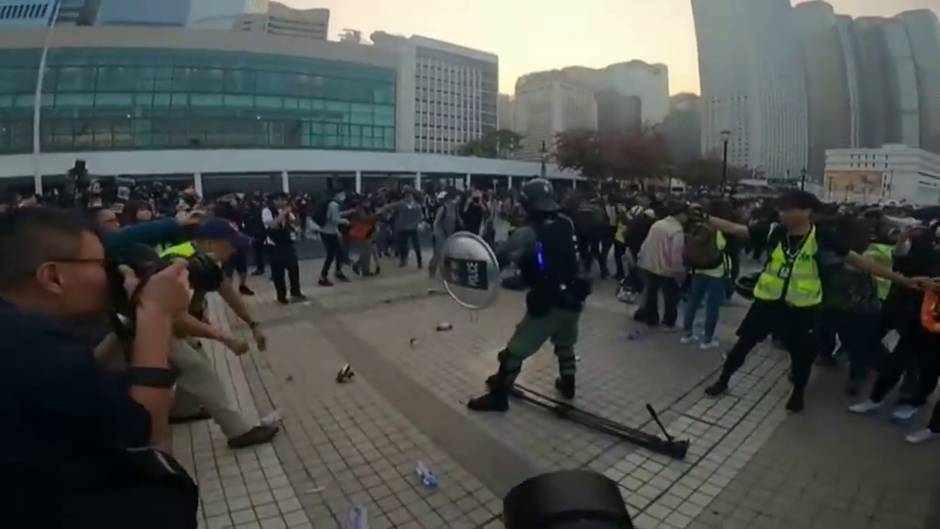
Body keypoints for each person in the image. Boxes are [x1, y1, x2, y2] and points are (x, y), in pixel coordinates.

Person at [0, 207, 198, 527]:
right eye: (102, 264)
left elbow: (83, 386)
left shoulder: (23, 338)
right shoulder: (29, 348)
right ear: (53, 277)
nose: (112, 275)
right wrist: (157, 315)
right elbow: (140, 428)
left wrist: (135, 320)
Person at [700, 191, 921, 412]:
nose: (782, 212)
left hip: (803, 310)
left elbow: (860, 262)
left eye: (787, 208)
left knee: (801, 356)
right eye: (781, 208)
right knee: (742, 346)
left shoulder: (823, 238)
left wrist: (903, 280)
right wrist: (704, 217)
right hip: (767, 304)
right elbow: (736, 229)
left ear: (806, 211)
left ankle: (798, 394)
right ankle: (723, 380)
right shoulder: (775, 232)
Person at [468, 179, 590, 412]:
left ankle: (499, 396)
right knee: (565, 343)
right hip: (574, 296)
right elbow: (551, 258)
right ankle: (568, 384)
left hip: (548, 302)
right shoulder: (566, 222)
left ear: (526, 203)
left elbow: (498, 259)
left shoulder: (527, 232)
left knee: (514, 351)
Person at [157, 219, 279, 449]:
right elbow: (175, 316)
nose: (235, 250)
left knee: (193, 362)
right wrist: (226, 338)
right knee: (199, 371)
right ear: (210, 243)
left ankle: (184, 410)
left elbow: (228, 293)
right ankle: (238, 431)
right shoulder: (178, 263)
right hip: (154, 324)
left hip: (168, 323)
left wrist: (254, 325)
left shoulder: (206, 260)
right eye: (230, 244)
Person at [681, 203, 731, 350]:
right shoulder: (719, 231)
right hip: (716, 273)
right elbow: (722, 251)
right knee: (712, 306)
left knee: (693, 302)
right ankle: (707, 339)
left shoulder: (697, 227)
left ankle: (687, 334)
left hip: (697, 271)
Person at [635, 201, 688, 330]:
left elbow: (646, 244)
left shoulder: (657, 224)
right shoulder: (677, 230)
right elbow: (676, 256)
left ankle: (652, 319)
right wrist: (680, 273)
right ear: (680, 214)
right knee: (670, 298)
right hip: (667, 270)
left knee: (651, 294)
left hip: (650, 265)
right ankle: (668, 322)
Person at [263, 192, 306, 302]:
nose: (281, 202)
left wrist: (296, 214)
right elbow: (272, 225)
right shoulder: (267, 211)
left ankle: (295, 292)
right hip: (274, 245)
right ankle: (281, 296)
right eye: (278, 200)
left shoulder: (287, 211)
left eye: (283, 200)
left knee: (294, 269)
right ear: (273, 201)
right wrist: (284, 213)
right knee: (278, 272)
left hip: (287, 243)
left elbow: (294, 223)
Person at [317, 189, 350, 286]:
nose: (344, 196)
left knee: (339, 253)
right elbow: (335, 219)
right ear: (337, 194)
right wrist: (345, 221)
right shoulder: (334, 205)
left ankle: (338, 271)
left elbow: (332, 216)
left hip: (328, 232)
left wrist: (347, 213)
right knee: (331, 255)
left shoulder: (331, 204)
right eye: (342, 194)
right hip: (329, 233)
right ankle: (323, 277)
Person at [428, 190, 460, 279]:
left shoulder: (454, 208)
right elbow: (436, 222)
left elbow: (457, 219)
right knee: (438, 253)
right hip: (440, 233)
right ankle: (432, 269)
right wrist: (437, 234)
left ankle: (447, 273)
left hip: (449, 233)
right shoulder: (443, 208)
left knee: (449, 254)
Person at [396, 189, 424, 269]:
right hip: (403, 227)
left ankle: (419, 262)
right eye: (407, 196)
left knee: (416, 245)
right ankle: (403, 260)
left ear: (412, 197)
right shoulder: (402, 204)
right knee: (402, 245)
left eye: (409, 196)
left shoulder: (416, 206)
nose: (408, 197)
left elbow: (420, 217)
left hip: (411, 228)